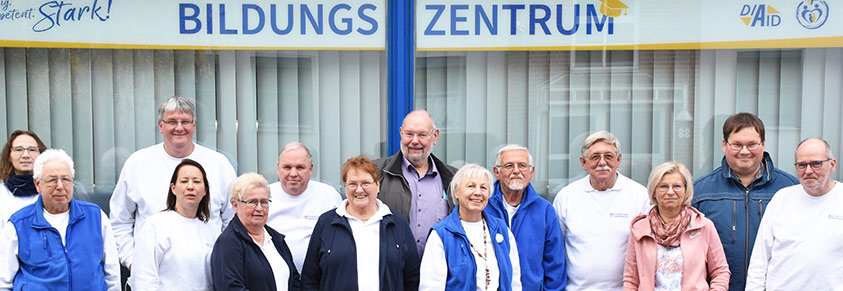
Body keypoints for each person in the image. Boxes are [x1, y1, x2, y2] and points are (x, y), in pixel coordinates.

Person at [110, 96, 237, 271]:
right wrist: (133, 262)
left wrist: (223, 263)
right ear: (161, 126)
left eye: (185, 121)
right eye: (172, 121)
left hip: (208, 274)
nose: (179, 128)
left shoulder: (219, 164)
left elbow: (233, 219)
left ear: (194, 126)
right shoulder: (138, 163)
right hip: (153, 275)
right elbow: (120, 220)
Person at [692, 112, 797, 290]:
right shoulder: (700, 192)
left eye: (752, 144)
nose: (744, 151)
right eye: (737, 144)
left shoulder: (790, 189)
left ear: (763, 145)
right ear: (724, 145)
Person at [0, 149, 120, 290]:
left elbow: (112, 274)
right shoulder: (19, 224)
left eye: (66, 179)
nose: (60, 187)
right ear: (38, 184)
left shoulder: (96, 217)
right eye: (52, 180)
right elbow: (3, 282)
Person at [301, 156, 419, 290]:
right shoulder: (326, 223)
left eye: (366, 183)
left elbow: (412, 277)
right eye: (352, 184)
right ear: (345, 187)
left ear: (377, 185)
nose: (359, 189)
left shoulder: (397, 223)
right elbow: (310, 278)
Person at [552, 130, 651, 290]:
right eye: (595, 157)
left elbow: (649, 251)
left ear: (618, 160)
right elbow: (555, 250)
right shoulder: (566, 197)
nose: (602, 162)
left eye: (609, 156)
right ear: (583, 162)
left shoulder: (640, 196)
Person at [746, 138, 843, 289]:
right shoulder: (782, 199)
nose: (808, 171)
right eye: (802, 165)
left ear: (832, 165)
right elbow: (760, 259)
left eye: (816, 164)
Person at [623, 161, 730, 290]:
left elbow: (721, 271)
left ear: (686, 190)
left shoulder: (703, 226)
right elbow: (631, 279)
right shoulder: (640, 229)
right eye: (663, 186)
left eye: (677, 186)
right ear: (654, 191)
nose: (670, 192)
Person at [420, 163, 522, 291]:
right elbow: (431, 287)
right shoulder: (442, 235)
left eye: (483, 188)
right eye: (471, 186)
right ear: (456, 192)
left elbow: (514, 282)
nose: (478, 193)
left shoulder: (501, 230)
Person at [375, 110, 457, 256]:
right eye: (409, 134)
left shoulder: (453, 178)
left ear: (435, 136)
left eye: (422, 135)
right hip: (393, 271)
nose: (414, 141)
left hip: (438, 272)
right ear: (401, 133)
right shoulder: (377, 173)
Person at [483, 144, 566, 291]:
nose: (516, 171)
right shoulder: (482, 206)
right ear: (497, 172)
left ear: (531, 171)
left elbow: (555, 266)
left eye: (522, 165)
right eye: (509, 166)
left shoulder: (545, 211)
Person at [131, 159, 221, 290]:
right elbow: (144, 278)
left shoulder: (213, 229)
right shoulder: (155, 225)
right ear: (173, 188)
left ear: (205, 190)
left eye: (196, 181)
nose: (190, 187)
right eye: (184, 181)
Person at [211, 173, 299, 290]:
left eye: (264, 202)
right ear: (235, 205)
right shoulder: (228, 243)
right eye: (252, 202)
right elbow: (231, 288)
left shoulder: (276, 239)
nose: (259, 208)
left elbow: (294, 280)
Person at [266, 142, 342, 273]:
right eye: (287, 167)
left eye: (300, 167)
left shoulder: (328, 196)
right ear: (278, 168)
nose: (293, 173)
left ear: (311, 168)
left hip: (318, 279)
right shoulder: (264, 196)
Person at [0, 130, 47, 230]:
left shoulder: (54, 190)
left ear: (41, 155)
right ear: (9, 156)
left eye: (32, 149)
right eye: (18, 149)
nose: (26, 155)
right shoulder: (2, 193)